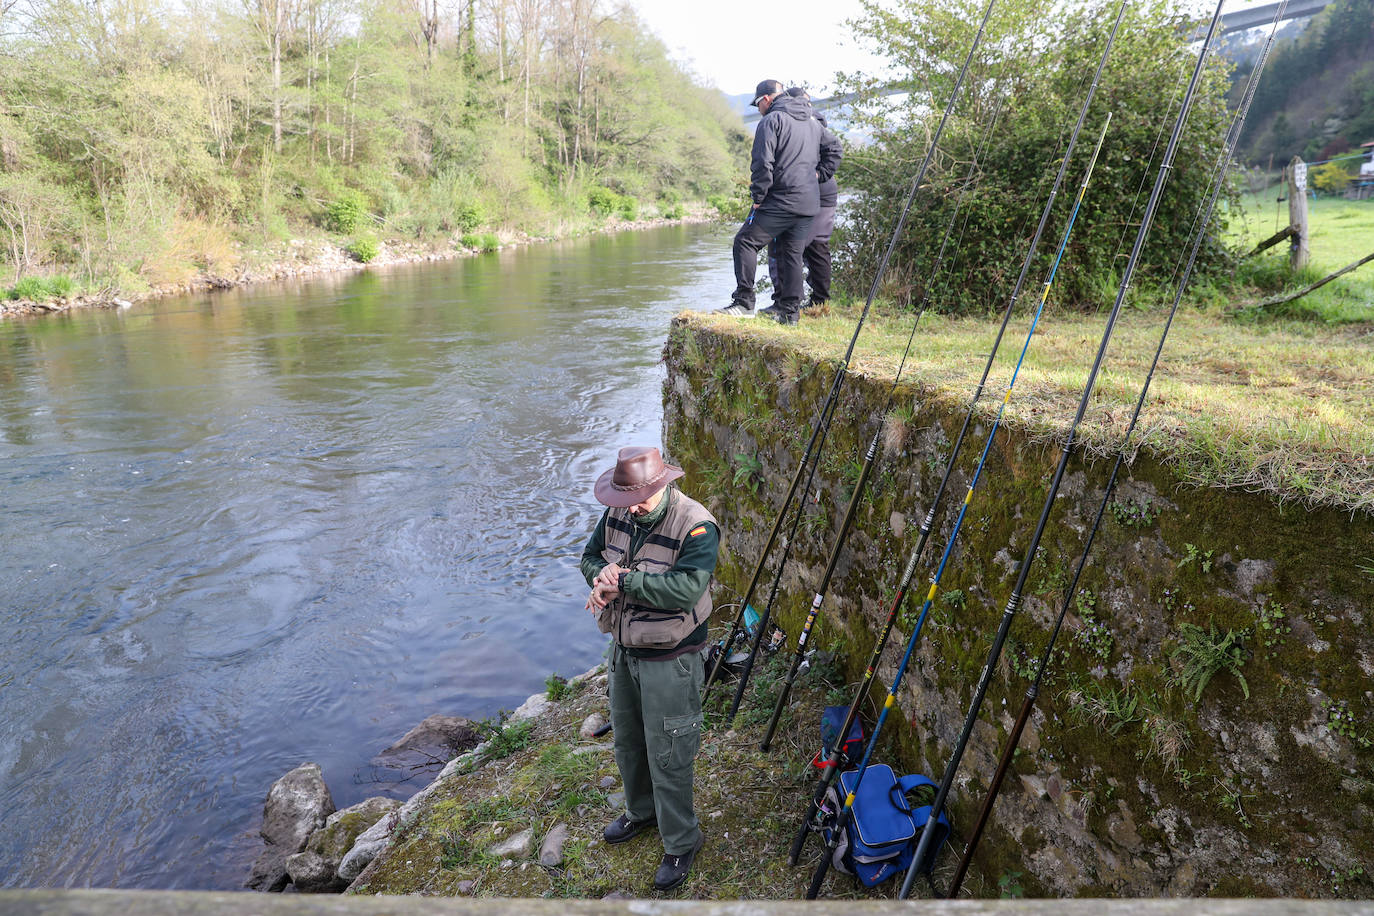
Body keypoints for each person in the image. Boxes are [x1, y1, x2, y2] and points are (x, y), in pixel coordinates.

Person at [580, 446, 720, 891]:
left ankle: (681, 841)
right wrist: (600, 582)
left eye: (642, 498)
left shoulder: (697, 525)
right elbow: (588, 557)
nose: (633, 507)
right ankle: (641, 812)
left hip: (671, 660)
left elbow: (685, 590)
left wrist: (622, 582)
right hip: (623, 652)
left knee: (670, 752)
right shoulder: (619, 511)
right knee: (628, 741)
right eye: (626, 499)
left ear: (664, 485)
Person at [718, 78, 841, 326]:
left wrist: (758, 197)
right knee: (792, 254)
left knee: (745, 242)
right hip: (809, 203)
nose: (758, 109)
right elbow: (835, 149)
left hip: (782, 199)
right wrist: (818, 175)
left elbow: (762, 163)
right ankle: (790, 314)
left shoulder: (771, 120)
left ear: (765, 100)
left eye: (757, 105)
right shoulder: (811, 120)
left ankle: (744, 303)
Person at [767, 88, 840, 312]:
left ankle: (785, 303)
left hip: (805, 193)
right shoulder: (817, 120)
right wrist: (822, 173)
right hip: (826, 194)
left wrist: (815, 175)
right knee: (818, 247)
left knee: (784, 247)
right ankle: (820, 302)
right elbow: (834, 150)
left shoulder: (797, 121)